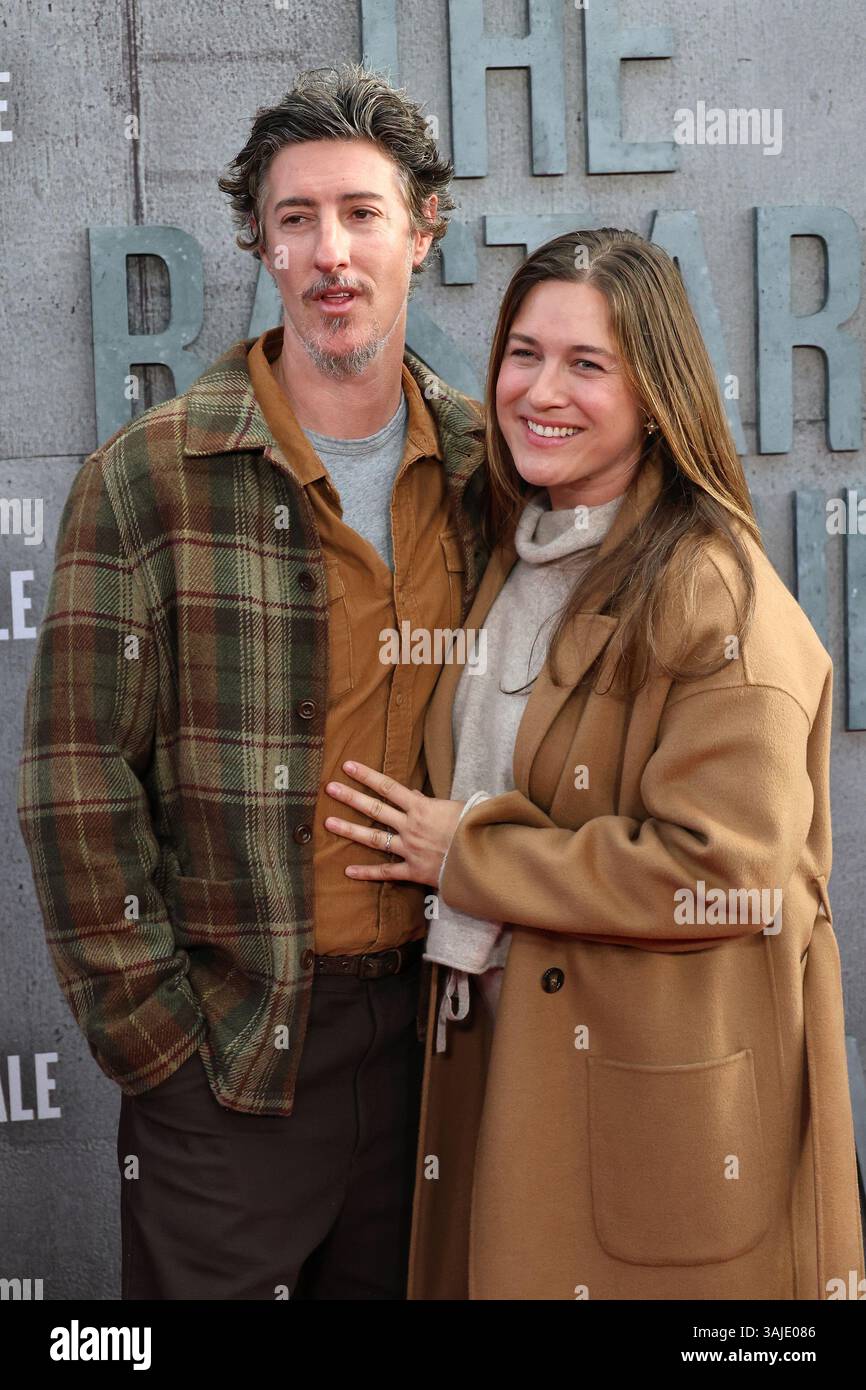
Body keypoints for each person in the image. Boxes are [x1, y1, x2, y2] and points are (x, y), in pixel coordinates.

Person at [16, 62, 489, 1300]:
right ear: (260, 244)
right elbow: (75, 781)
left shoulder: (493, 471)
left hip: (441, 1047)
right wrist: (159, 1043)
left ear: (421, 232)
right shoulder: (151, 475)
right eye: (296, 219)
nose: (331, 252)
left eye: (361, 213)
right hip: (229, 1055)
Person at [324, 227, 865, 1299]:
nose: (538, 390)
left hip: (646, 1106)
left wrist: (465, 854)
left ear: (657, 392)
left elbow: (726, 873)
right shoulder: (526, 552)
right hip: (506, 1061)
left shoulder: (713, 592)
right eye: (522, 354)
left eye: (586, 364)